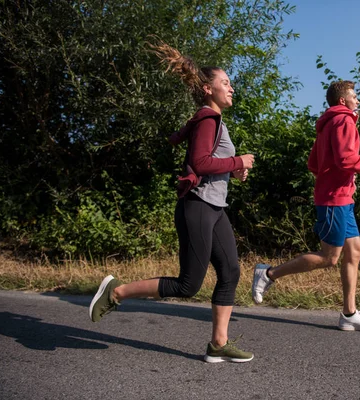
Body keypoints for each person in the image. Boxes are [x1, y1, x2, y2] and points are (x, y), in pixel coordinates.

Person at [89, 40, 255, 363]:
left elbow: (210, 164)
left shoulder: (214, 120)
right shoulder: (208, 118)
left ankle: (218, 344)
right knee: (188, 284)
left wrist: (235, 171)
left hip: (215, 208)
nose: (231, 88)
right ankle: (116, 291)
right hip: (197, 207)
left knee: (231, 271)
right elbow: (201, 162)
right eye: (226, 83)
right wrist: (237, 162)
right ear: (208, 89)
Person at [251, 80, 360, 331]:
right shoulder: (344, 120)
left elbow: (314, 164)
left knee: (354, 250)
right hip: (334, 199)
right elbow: (347, 159)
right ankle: (268, 274)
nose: (357, 100)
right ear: (342, 101)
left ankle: (349, 314)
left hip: (340, 196)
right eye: (354, 96)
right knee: (330, 257)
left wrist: (337, 176)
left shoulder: (327, 125)